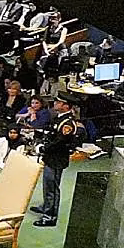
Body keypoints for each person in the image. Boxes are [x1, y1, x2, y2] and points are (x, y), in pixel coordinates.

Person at [32, 96, 81, 227]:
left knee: (52, 188)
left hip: (56, 159)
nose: (55, 103)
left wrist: (43, 148)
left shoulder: (67, 123)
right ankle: (46, 206)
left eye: (59, 102)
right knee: (48, 185)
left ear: (66, 106)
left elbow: (59, 142)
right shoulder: (59, 118)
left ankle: (50, 216)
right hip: (51, 157)